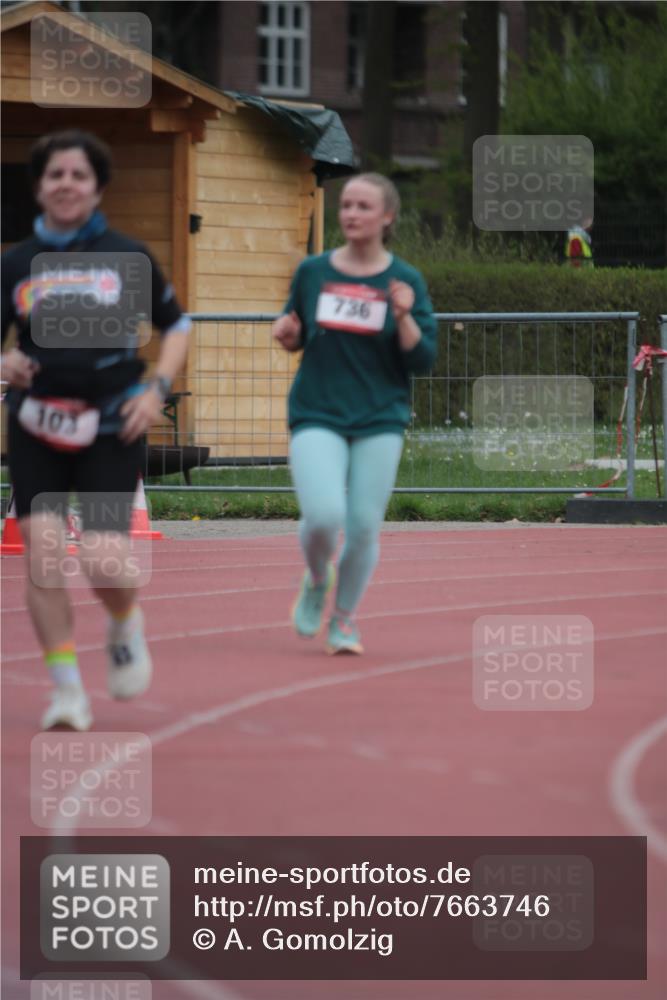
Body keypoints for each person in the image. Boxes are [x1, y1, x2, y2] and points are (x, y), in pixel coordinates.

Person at [0, 130, 191, 730]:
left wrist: (156, 389)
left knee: (106, 561)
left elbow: (177, 326)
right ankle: (66, 691)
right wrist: (5, 364)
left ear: (97, 187)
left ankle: (124, 620)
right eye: (54, 174)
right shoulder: (15, 264)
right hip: (37, 424)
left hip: (112, 424)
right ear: (39, 187)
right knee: (44, 556)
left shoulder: (127, 257)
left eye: (78, 175)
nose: (66, 185)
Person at [272, 172, 437, 655]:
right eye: (346, 205)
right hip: (317, 410)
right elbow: (297, 330)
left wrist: (402, 317)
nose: (351, 214)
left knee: (363, 527)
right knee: (324, 516)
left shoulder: (405, 280)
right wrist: (288, 335)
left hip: (379, 416)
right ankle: (317, 578)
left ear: (387, 216)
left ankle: (344, 619)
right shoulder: (313, 272)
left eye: (363, 206)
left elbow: (422, 358)